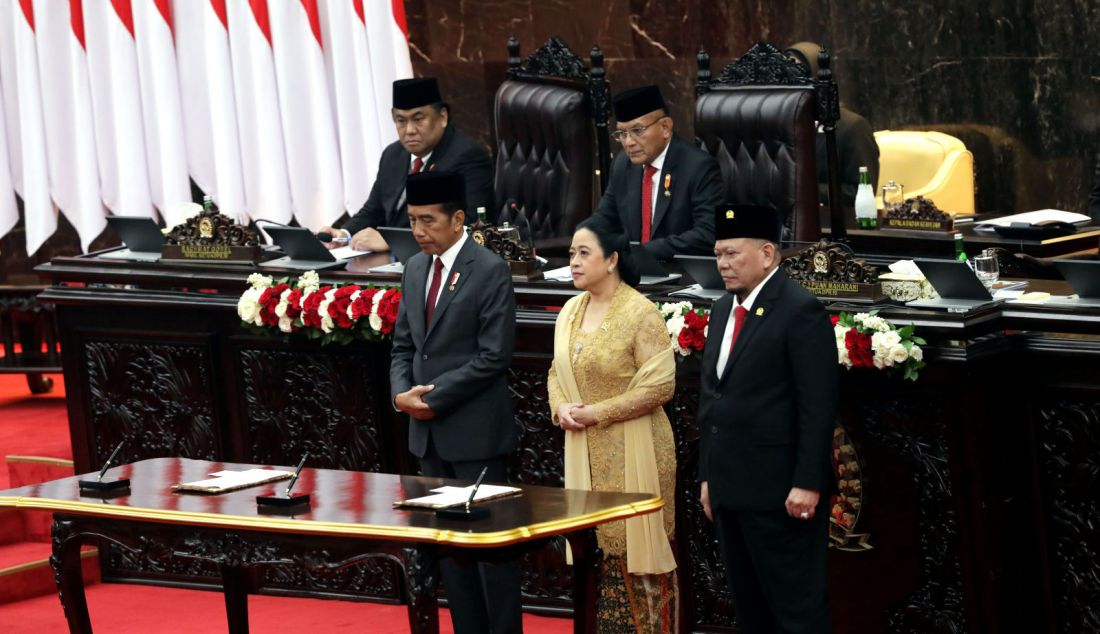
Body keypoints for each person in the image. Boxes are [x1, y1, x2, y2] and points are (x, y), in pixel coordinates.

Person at [389, 170, 521, 634]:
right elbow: (404, 347)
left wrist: (434, 398)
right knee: (449, 553)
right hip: (427, 437)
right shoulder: (413, 269)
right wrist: (400, 395)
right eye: (412, 221)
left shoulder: (489, 270)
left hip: (475, 435)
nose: (419, 231)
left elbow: (493, 357)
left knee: (490, 552)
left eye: (428, 220)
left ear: (458, 218)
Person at [696, 204, 838, 634]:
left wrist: (808, 482)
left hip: (781, 493)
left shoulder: (799, 310)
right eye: (718, 254)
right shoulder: (723, 309)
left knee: (795, 610)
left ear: (767, 254)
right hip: (730, 489)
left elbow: (817, 404)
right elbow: (711, 400)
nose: (722, 264)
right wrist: (708, 476)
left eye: (732, 254)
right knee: (750, 609)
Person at [547, 215, 679, 632]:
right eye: (571, 254)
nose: (574, 262)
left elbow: (660, 386)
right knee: (596, 556)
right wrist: (562, 408)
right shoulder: (570, 310)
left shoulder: (640, 313)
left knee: (642, 563)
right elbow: (556, 371)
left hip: (636, 453)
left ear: (612, 260)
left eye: (584, 253)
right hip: (585, 454)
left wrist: (596, 413)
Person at [319, 77, 494, 252]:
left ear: (442, 117)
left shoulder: (467, 157)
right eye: (401, 121)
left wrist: (391, 242)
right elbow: (373, 210)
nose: (409, 130)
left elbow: (470, 226)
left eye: (418, 119)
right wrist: (343, 234)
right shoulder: (393, 154)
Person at [593, 84, 723, 260]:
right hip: (632, 270)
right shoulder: (622, 164)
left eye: (637, 131)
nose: (629, 142)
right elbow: (604, 219)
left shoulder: (698, 167)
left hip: (680, 274)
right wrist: (585, 241)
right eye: (622, 133)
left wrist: (640, 253)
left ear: (665, 127)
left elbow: (707, 234)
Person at [785, 42, 880, 210]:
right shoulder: (781, 125)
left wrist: (804, 191)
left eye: (798, 74)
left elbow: (860, 191)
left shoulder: (852, 127)